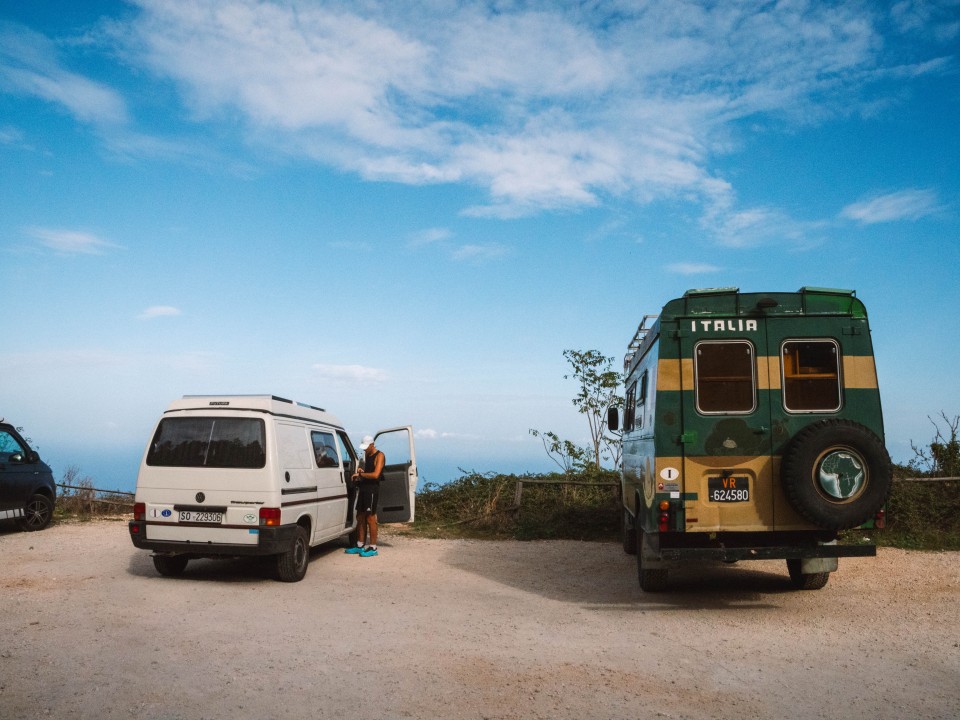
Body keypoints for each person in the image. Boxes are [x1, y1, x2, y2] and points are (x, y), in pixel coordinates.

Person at [345, 435, 385, 557]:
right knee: (360, 516)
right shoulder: (366, 455)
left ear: (372, 445)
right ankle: (360, 545)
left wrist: (361, 475)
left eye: (366, 447)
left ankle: (373, 548)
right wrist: (361, 471)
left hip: (372, 490)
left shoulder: (380, 455)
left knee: (370, 518)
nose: (364, 449)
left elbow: (376, 475)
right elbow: (367, 471)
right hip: (363, 489)